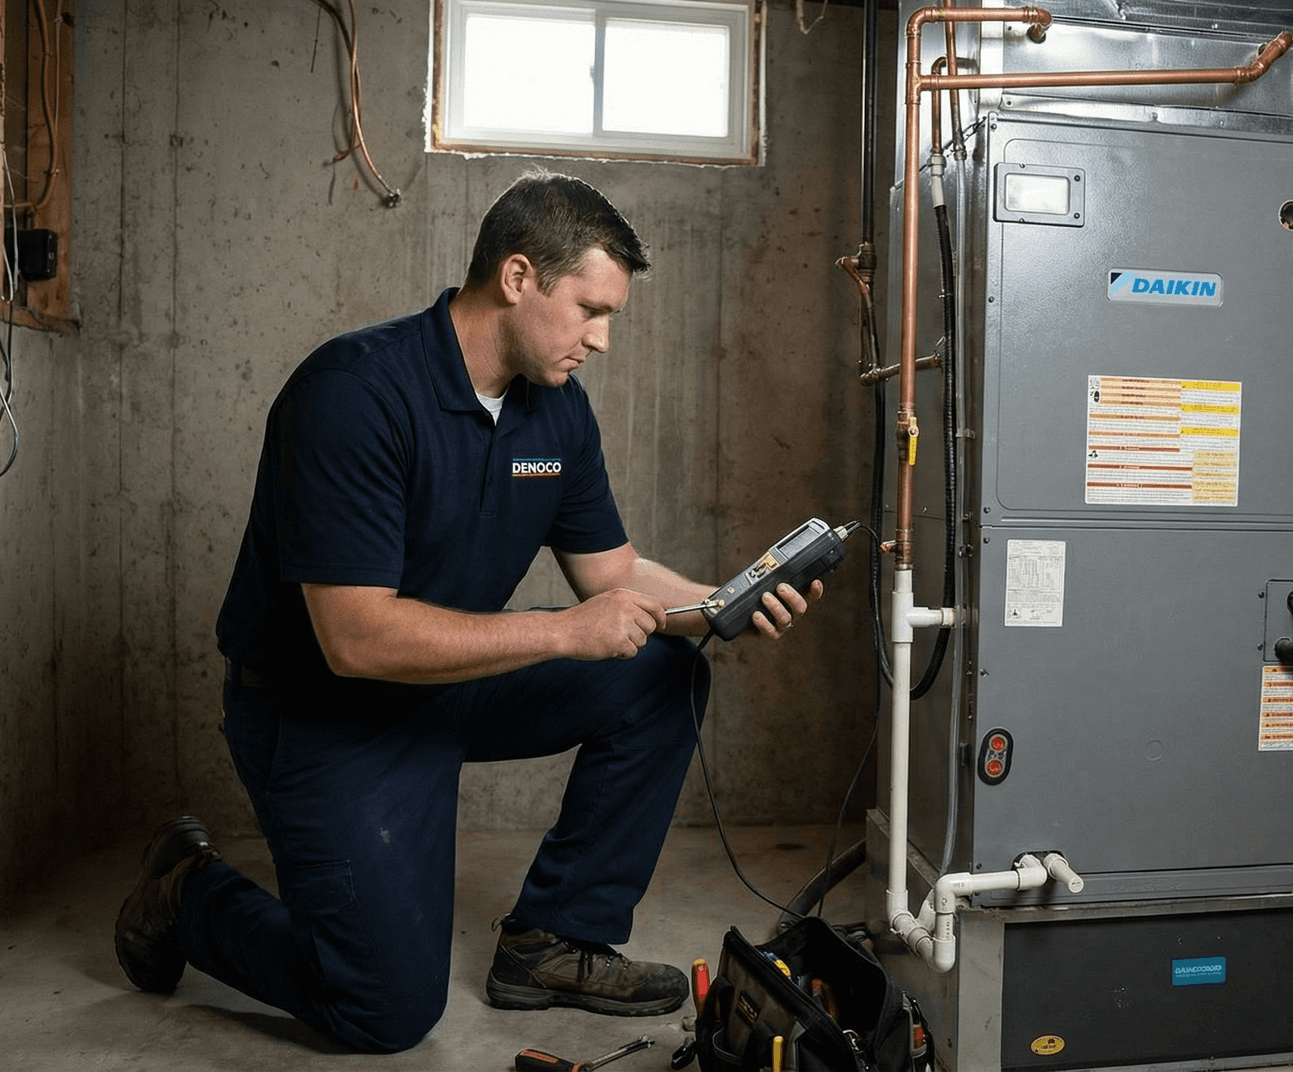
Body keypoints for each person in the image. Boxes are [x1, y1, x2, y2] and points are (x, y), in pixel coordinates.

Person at [112, 172, 819, 1054]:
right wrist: (564, 632)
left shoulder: (554, 410)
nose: (601, 340)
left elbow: (616, 572)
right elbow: (357, 638)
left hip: (450, 686)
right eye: (590, 310)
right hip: (324, 712)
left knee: (662, 669)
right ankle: (189, 890)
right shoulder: (354, 393)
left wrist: (724, 602)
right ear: (517, 277)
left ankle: (552, 943)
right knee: (384, 1011)